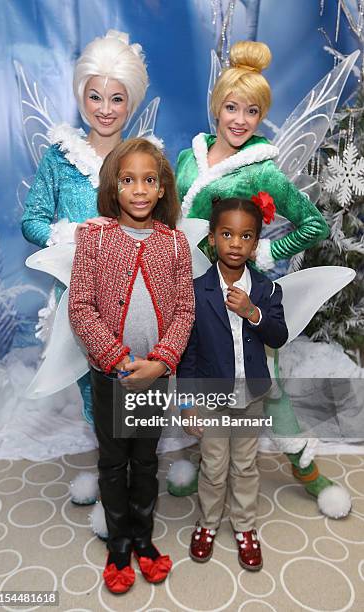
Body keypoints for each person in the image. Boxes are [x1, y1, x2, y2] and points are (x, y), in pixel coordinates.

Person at [174, 39, 347, 513]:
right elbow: (173, 216)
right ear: (216, 107)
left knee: (262, 384)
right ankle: (205, 458)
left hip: (239, 293)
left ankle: (308, 470)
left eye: (251, 111)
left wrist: (269, 249)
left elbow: (312, 224)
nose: (239, 119)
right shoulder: (190, 157)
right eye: (231, 107)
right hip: (190, 287)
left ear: (260, 116)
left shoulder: (263, 171)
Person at [21, 30, 148, 504]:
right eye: (95, 96)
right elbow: (32, 220)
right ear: (81, 96)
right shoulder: (59, 158)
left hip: (134, 299)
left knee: (132, 383)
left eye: (117, 98)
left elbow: (162, 220)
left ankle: (139, 474)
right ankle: (110, 471)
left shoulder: (141, 159)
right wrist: (72, 236)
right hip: (78, 302)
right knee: (92, 391)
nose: (105, 108)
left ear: (130, 102)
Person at [68, 137, 195, 593]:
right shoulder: (95, 237)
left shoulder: (176, 244)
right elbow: (81, 307)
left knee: (145, 459)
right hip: (112, 376)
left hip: (155, 377)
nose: (139, 189)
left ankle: (144, 537)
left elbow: (185, 310)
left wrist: (160, 363)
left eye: (149, 180)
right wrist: (118, 360)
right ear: (114, 187)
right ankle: (118, 544)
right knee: (113, 459)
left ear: (162, 189)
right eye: (128, 180)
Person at [177, 195, 288, 570]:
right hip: (210, 397)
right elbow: (188, 353)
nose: (235, 243)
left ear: (256, 243)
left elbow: (278, 336)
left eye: (245, 236)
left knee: (244, 466)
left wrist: (251, 312)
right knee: (213, 466)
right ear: (212, 238)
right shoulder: (195, 290)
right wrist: (188, 403)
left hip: (251, 395)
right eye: (227, 234)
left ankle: (244, 527)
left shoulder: (268, 290)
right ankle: (208, 523)